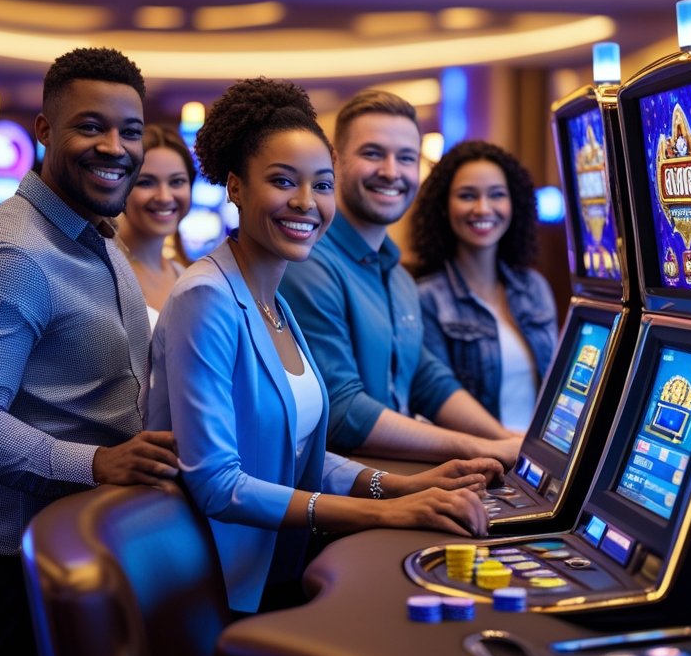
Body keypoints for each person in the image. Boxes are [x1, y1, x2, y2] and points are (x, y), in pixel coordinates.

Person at [148, 77, 501, 614]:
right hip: (223, 590)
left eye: (321, 184)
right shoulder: (206, 297)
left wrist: (401, 485)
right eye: (283, 181)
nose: (306, 203)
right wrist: (383, 512)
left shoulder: (274, 299)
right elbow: (218, 483)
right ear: (236, 187)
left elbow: (298, 455)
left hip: (282, 567)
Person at [0, 47, 179, 656]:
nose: (114, 148)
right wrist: (96, 463)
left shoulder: (99, 236)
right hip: (14, 569)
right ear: (45, 130)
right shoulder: (12, 252)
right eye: (90, 126)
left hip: (92, 543)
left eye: (128, 131)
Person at [279, 90, 521, 465]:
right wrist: (480, 448)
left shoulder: (397, 272)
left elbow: (426, 378)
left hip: (400, 479)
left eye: (406, 158)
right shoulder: (308, 259)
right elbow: (341, 413)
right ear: (335, 162)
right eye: (373, 153)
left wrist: (505, 438)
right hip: (340, 499)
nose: (392, 171)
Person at [411, 140, 558, 432]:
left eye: (497, 195)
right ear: (443, 206)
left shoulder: (534, 287)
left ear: (514, 203)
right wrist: (506, 444)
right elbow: (435, 400)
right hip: (477, 462)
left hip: (539, 459)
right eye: (467, 195)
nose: (483, 208)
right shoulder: (425, 298)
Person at [117, 124, 194, 328]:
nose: (165, 197)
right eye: (146, 182)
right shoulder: (106, 272)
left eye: (177, 182)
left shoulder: (185, 275)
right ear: (121, 190)